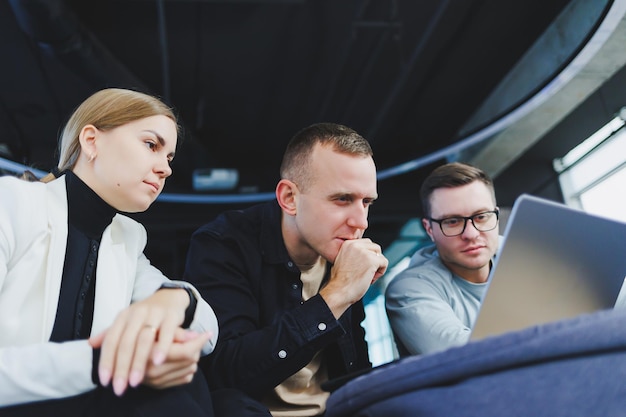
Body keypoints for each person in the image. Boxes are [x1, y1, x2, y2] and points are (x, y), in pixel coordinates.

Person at [0, 88, 220, 416]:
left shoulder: (126, 239)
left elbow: (207, 328)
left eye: (169, 157)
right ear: (91, 141)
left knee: (187, 381)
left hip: (84, 402)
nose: (166, 169)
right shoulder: (12, 203)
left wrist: (178, 299)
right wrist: (102, 362)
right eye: (151, 145)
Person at [183, 122, 389, 416]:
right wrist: (337, 294)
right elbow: (227, 376)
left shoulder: (342, 251)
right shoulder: (223, 244)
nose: (361, 221)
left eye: (366, 202)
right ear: (289, 198)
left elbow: (355, 364)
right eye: (342, 199)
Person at [385, 162, 500, 357]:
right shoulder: (409, 290)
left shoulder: (526, 255)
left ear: (495, 216)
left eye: (481, 216)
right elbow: (468, 357)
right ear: (429, 230)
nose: (471, 234)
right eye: (452, 222)